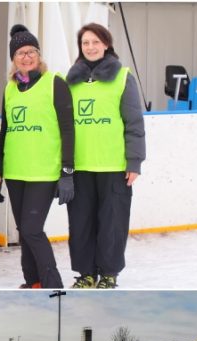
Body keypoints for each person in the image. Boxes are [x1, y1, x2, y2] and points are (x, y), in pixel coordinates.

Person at [65, 23, 146, 289]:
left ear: (106, 44)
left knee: (112, 224)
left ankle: (109, 274)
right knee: (81, 225)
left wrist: (134, 161)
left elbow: (134, 123)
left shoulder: (123, 77)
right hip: (80, 167)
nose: (90, 47)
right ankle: (86, 273)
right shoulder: (71, 81)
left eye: (95, 42)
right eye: (85, 43)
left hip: (113, 166)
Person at [0, 24, 73, 289]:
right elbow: (4, 132)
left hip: (43, 172)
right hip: (15, 171)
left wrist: (67, 171)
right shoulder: (9, 89)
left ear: (39, 55)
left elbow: (67, 130)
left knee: (31, 229)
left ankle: (53, 284)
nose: (26, 57)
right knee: (24, 232)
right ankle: (33, 281)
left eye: (31, 52)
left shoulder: (55, 83)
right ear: (13, 58)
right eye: (20, 53)